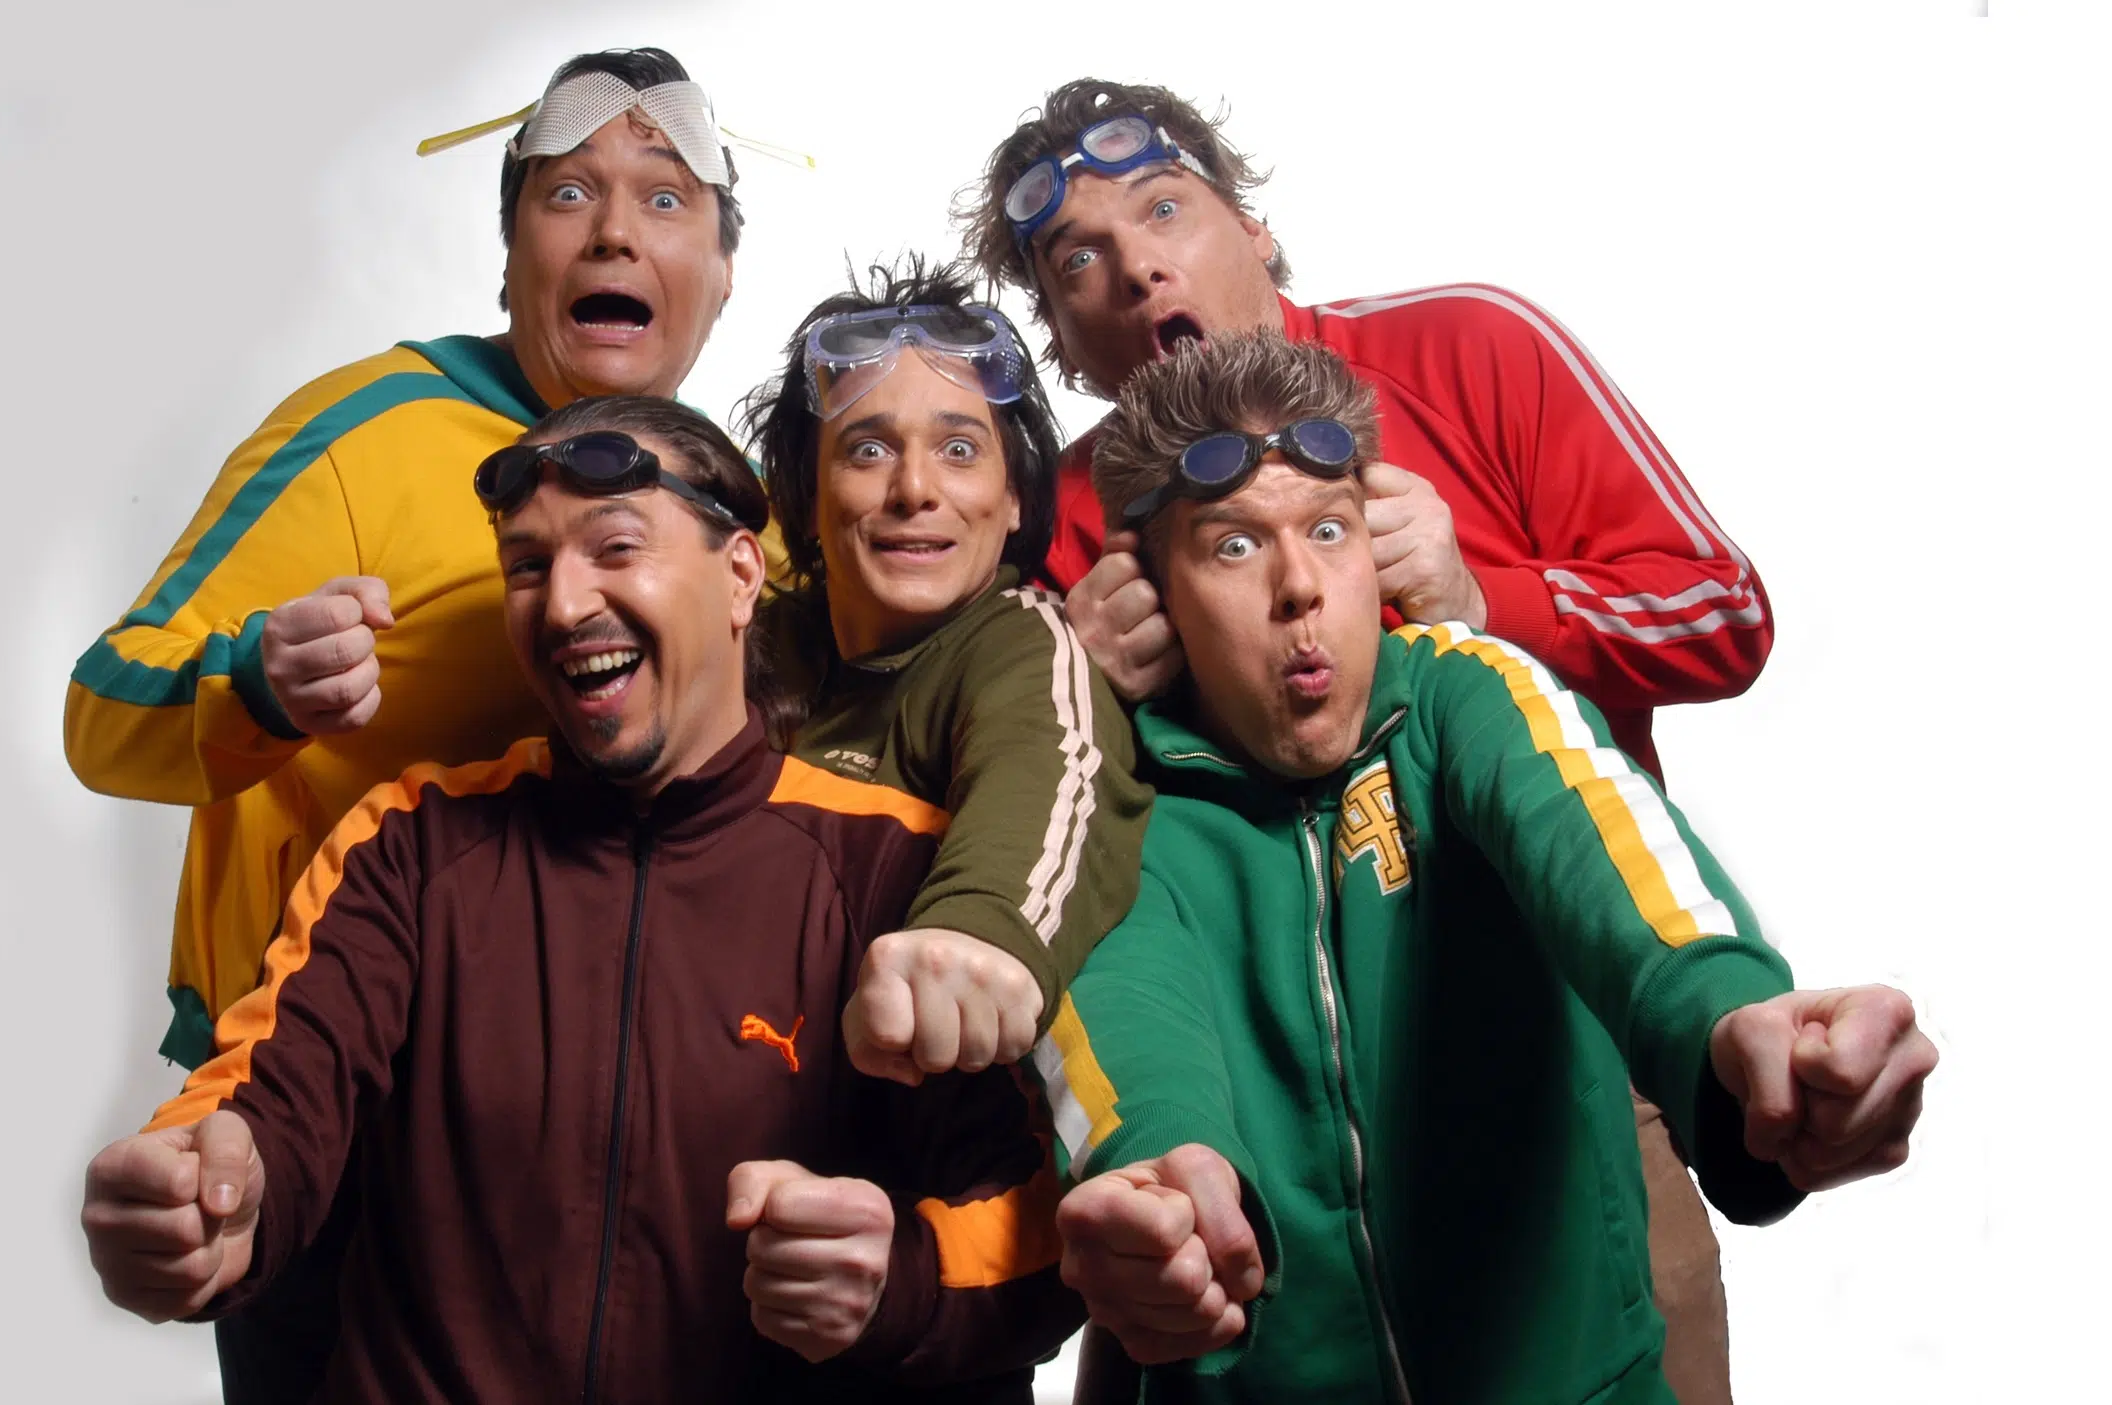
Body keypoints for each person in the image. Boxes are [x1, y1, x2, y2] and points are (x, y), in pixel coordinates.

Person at [958, 78, 1770, 1399]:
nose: (1137, 266)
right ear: (1061, 338)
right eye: (1076, 262)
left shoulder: (1473, 349)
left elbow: (1721, 612)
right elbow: (1034, 845)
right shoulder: (1048, 516)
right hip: (1222, 1097)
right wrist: (1067, 681)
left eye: (1162, 209)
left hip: (1546, 1047)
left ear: (1255, 230)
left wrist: (1485, 600)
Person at [77, 397, 1079, 1403]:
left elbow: (1046, 1225)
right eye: (526, 565)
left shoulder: (894, 866)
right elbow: (275, 1090)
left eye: (616, 547)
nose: (561, 604)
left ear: (740, 576)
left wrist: (902, 1278)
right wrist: (210, 1193)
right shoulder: (411, 842)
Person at [1034, 332, 1936, 1403]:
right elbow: (1126, 1003)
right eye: (1233, 546)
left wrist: (1733, 1016)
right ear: (1151, 595)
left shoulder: (1464, 692)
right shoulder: (1109, 794)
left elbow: (1598, 842)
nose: (1299, 587)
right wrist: (1162, 1183)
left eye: (1329, 530)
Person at [61, 46, 754, 1398]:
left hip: (597, 1127)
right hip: (323, 1118)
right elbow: (105, 705)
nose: (615, 230)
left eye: (667, 198)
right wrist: (258, 684)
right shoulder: (364, 432)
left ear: (722, 273)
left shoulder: (733, 519)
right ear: (509, 255)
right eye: (567, 193)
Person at [741, 260, 1150, 1084]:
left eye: (959, 449)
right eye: (868, 449)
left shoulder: (1023, 646)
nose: (915, 489)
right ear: (808, 496)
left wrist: (976, 937)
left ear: (1014, 498)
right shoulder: (747, 638)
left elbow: (1052, 777)